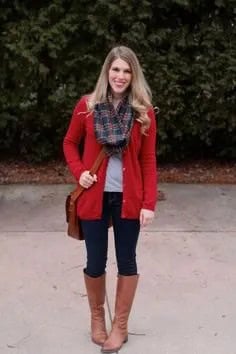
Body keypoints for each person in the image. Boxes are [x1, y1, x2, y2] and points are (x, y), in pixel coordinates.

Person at [63, 45, 157, 353]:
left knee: (127, 261)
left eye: (126, 71)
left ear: (134, 75)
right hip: (94, 198)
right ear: (107, 71)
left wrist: (148, 203)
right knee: (95, 261)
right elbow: (69, 143)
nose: (120, 76)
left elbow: (148, 159)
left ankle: (120, 326)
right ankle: (97, 320)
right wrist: (79, 173)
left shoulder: (142, 112)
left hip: (129, 198)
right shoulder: (87, 106)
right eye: (115, 69)